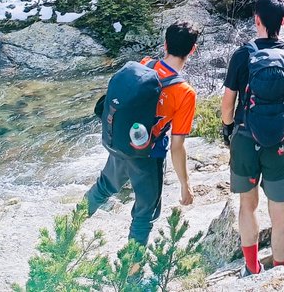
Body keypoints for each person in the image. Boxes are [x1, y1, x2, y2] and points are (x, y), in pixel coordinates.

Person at [84, 20, 200, 245]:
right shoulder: (185, 93)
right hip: (147, 157)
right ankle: (131, 275)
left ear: (165, 44)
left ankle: (66, 232)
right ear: (192, 50)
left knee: (103, 187)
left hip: (120, 143)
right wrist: (185, 185)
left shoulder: (145, 64)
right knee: (144, 215)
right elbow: (177, 146)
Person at [220, 0, 284, 276]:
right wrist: (282, 125)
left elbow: (228, 103)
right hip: (279, 142)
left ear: (256, 20)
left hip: (245, 139)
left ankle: (252, 267)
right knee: (280, 211)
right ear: (283, 21)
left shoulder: (243, 55)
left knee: (248, 205)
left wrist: (229, 129)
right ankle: (281, 269)